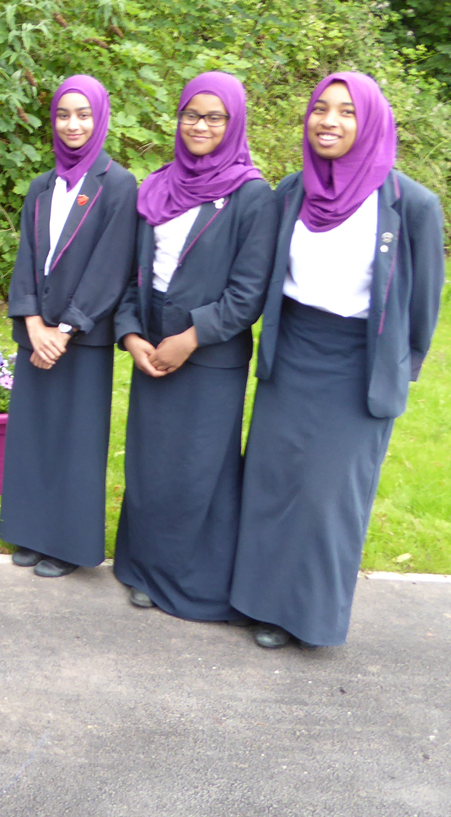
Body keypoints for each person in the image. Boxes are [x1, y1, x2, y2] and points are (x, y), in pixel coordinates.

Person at [231, 72, 444, 649]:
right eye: (320, 108)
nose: (329, 120)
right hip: (293, 350)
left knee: (327, 496)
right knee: (273, 482)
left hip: (358, 366)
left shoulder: (411, 204)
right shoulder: (292, 192)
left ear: (370, 121)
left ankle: (308, 617)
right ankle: (257, 603)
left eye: (346, 111)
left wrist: (403, 366)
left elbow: (422, 307)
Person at [111, 72, 277, 620]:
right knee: (151, 464)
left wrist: (191, 337)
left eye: (213, 117)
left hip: (210, 356)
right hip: (151, 344)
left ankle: (194, 582)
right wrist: (131, 334)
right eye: (191, 114)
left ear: (234, 124)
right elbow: (136, 275)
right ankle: (144, 569)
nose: (200, 125)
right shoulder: (157, 185)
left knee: (197, 469)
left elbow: (248, 292)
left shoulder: (252, 195)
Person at [0, 75, 138, 578]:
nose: (73, 124)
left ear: (99, 119)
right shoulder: (42, 185)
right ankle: (31, 532)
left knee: (76, 442)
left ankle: (68, 544)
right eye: (63, 114)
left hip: (82, 339)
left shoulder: (118, 185)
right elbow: (27, 258)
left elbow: (112, 265)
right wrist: (33, 321)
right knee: (34, 434)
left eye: (83, 114)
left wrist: (65, 329)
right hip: (36, 333)